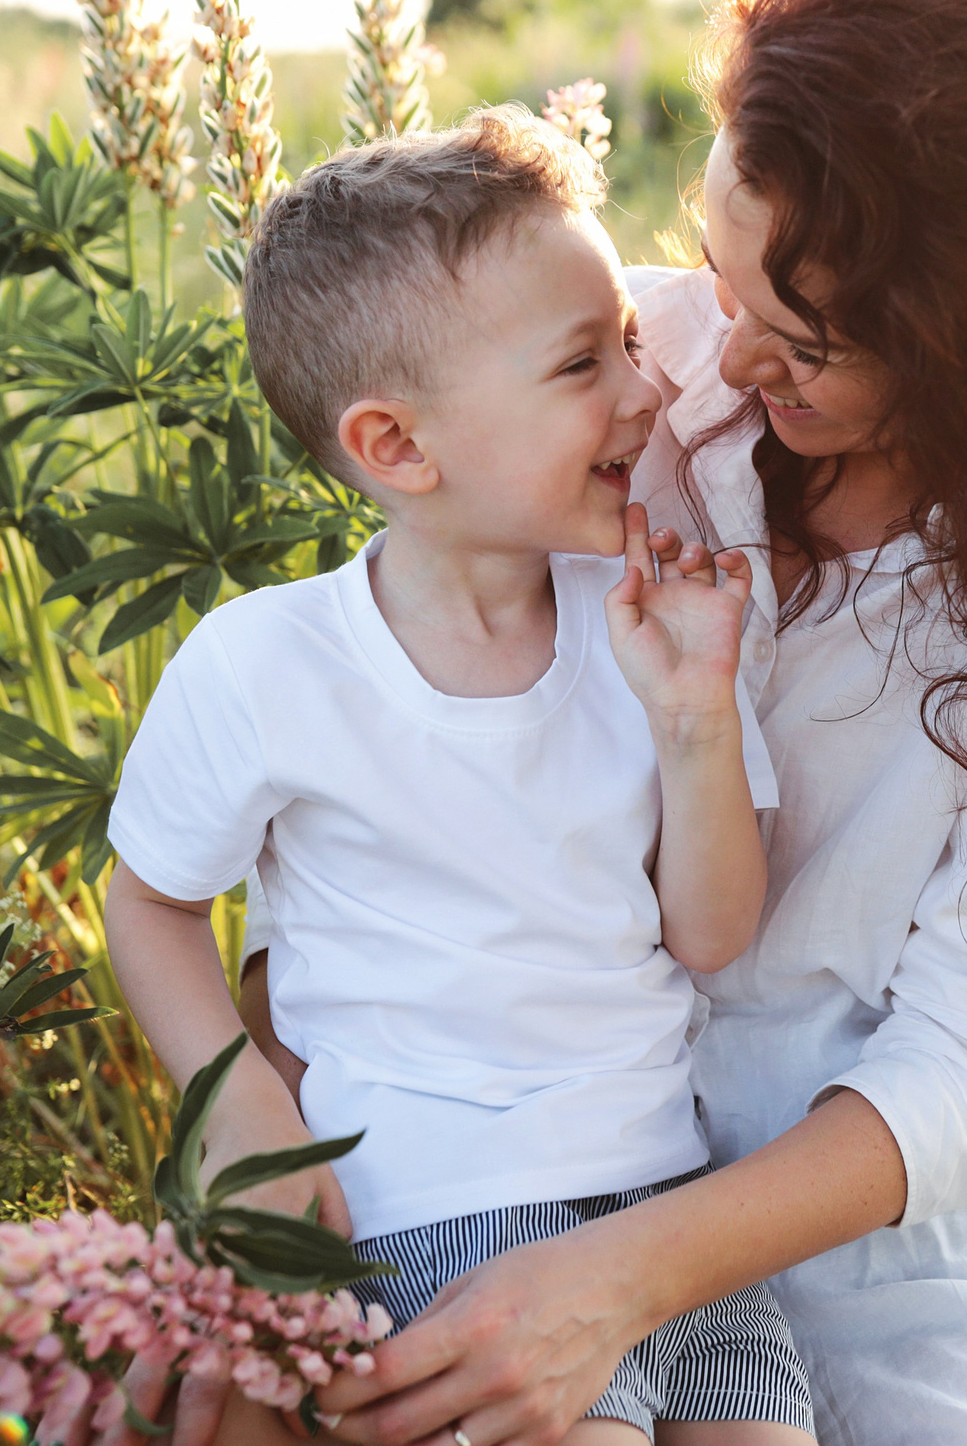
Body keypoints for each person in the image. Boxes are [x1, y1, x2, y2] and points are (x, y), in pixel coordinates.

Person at [154, 0, 967, 1446]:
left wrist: (617, 1279)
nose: (723, 356)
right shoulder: (611, 378)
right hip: (502, 1148)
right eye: (717, 274)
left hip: (878, 1212)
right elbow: (385, 786)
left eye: (809, 340)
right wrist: (256, 1135)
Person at [100, 111, 818, 1446]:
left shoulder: (646, 630)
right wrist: (237, 1101)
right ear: (398, 447)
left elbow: (714, 934)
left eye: (630, 341)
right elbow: (148, 901)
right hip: (442, 1219)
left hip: (674, 1214)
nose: (645, 393)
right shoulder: (268, 664)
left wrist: (695, 720)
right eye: (581, 363)